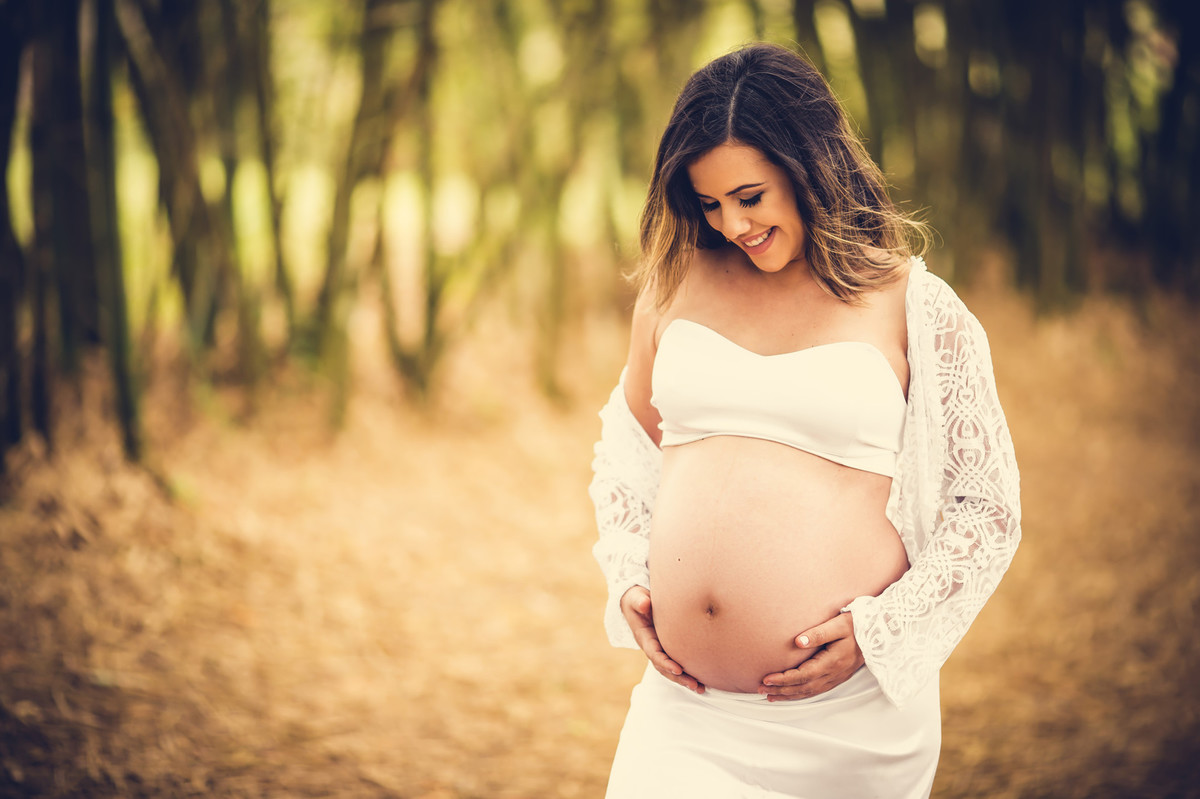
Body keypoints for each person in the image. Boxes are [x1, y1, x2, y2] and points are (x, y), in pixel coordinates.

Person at [588, 43, 1021, 798]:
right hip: (686, 715)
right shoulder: (674, 287)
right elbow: (626, 454)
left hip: (847, 723)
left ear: (809, 166)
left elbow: (986, 508)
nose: (732, 224)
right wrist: (629, 576)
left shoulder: (914, 305)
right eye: (710, 203)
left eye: (751, 196)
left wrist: (881, 632)